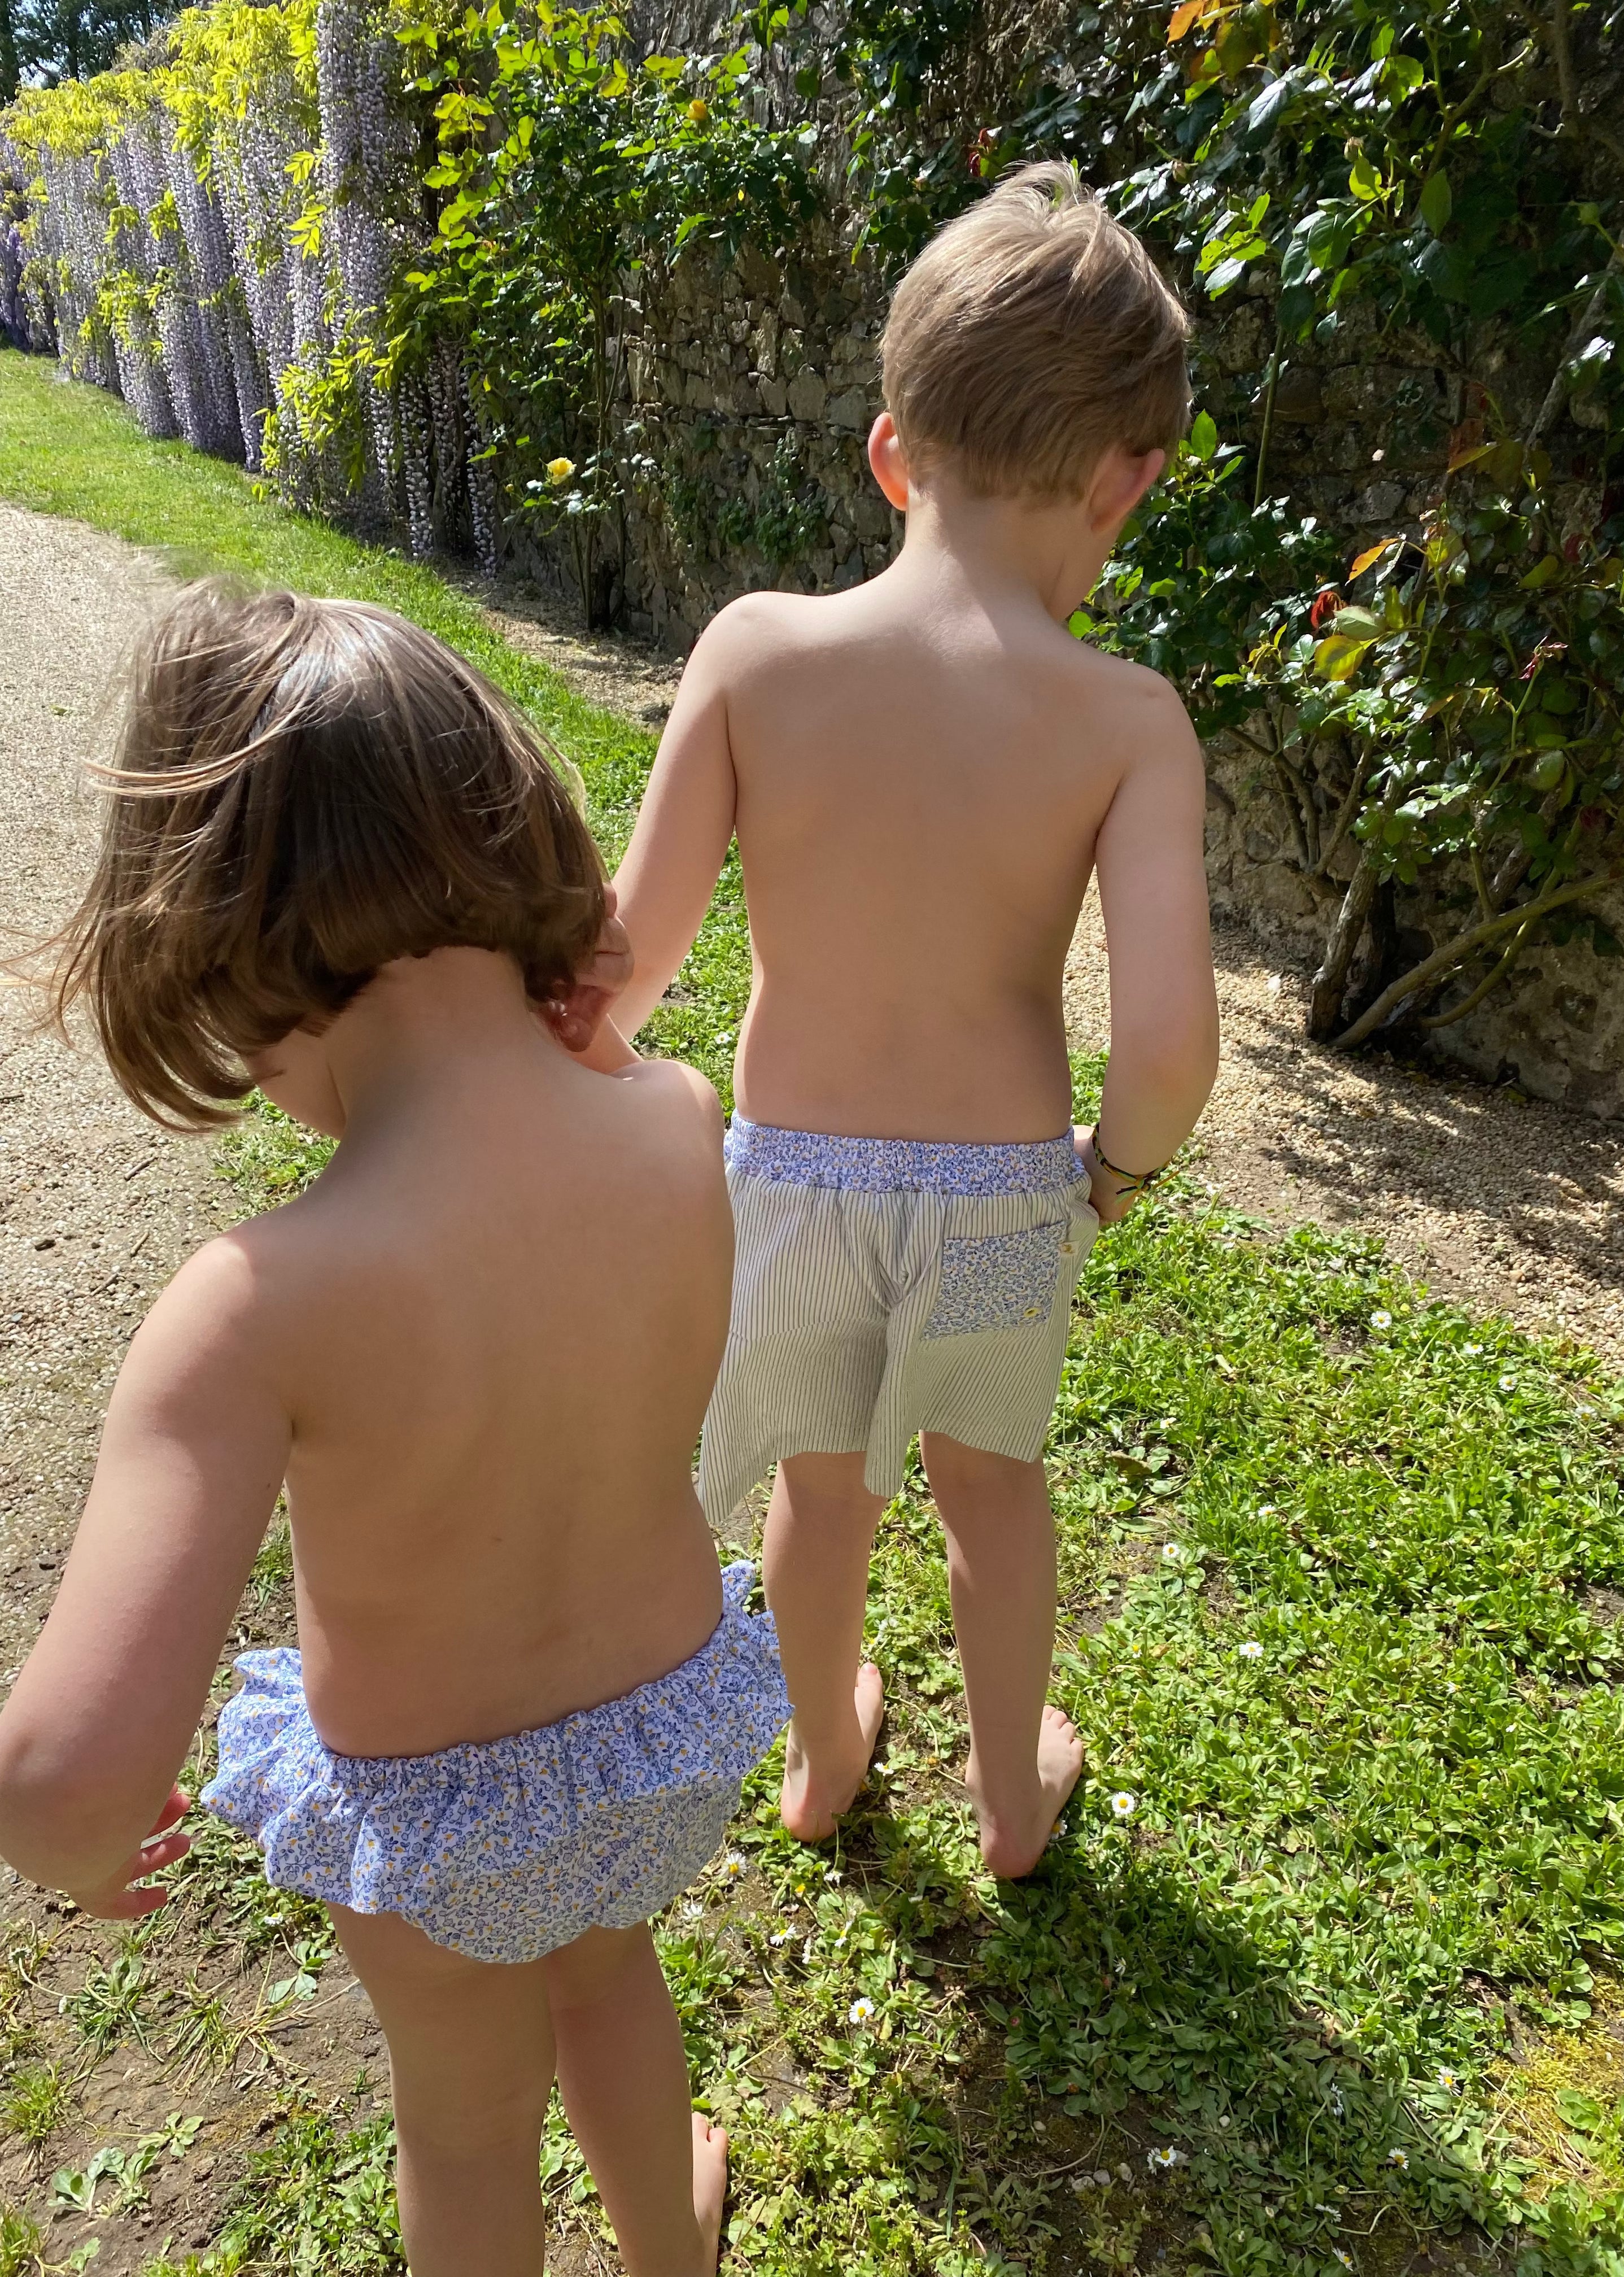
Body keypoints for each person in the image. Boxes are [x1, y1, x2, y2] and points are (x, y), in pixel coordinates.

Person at [0, 584, 791, 2277]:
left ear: (213, 948)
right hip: (662, 1740)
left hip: (432, 1827)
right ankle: (676, 2242)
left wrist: (73, 1841)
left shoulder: (258, 1304)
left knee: (467, 2132)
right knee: (613, 1982)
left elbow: (62, 1785)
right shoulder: (678, 1118)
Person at [599, 161, 1220, 1882]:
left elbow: (626, 961)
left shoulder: (753, 652)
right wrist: (1118, 1169)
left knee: (820, 1488)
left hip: (788, 1181)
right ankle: (1012, 1794)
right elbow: (1169, 1041)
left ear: (891, 451)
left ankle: (821, 1758)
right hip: (1005, 1197)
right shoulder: (1126, 719)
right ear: (1127, 479)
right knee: (993, 1490)